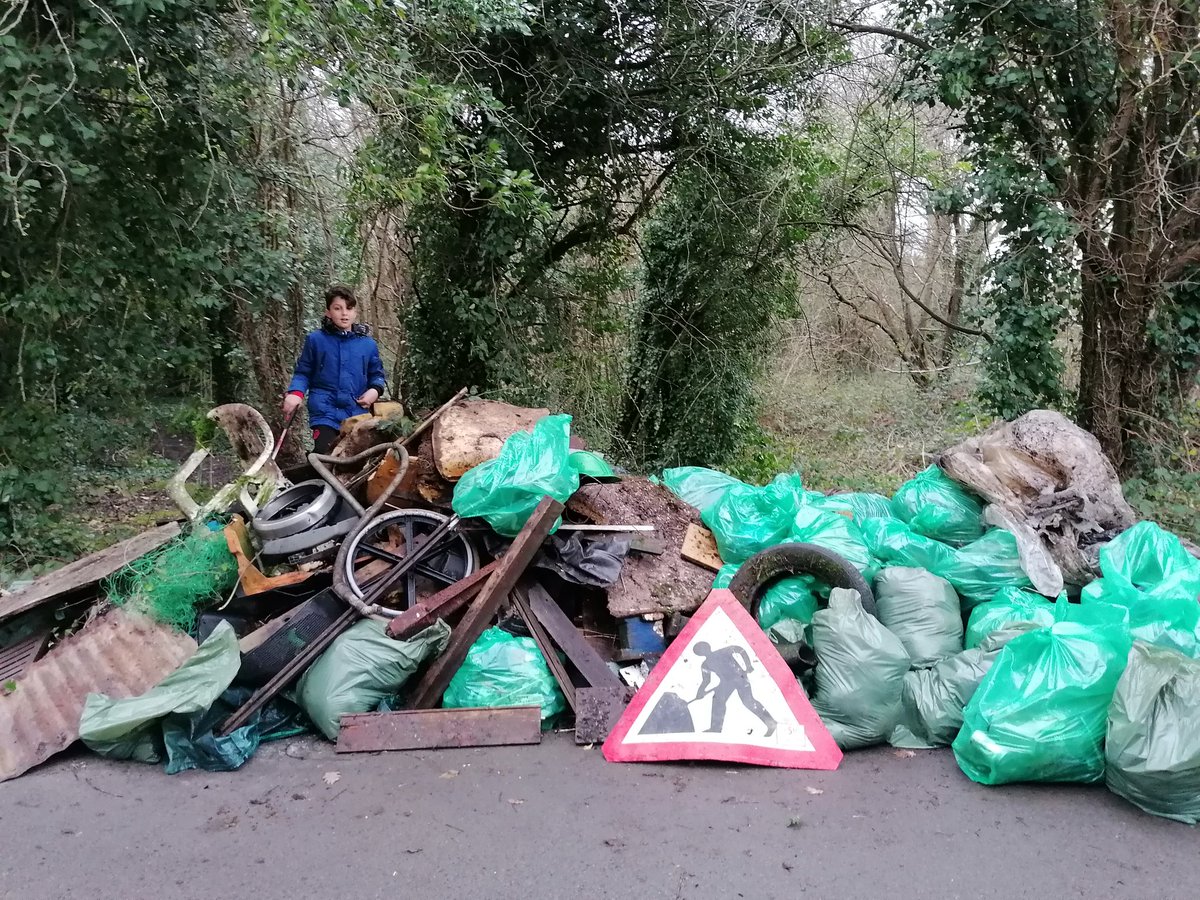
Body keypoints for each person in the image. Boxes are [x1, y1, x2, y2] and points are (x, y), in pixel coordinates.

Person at [283, 284, 386, 454]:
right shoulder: (315, 340)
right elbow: (303, 372)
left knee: (356, 458)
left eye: (349, 308)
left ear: (355, 312)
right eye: (338, 308)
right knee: (324, 453)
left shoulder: (368, 344)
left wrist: (374, 391)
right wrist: (296, 393)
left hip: (357, 413)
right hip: (325, 412)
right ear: (328, 312)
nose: (344, 313)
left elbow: (377, 375)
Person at [692, 641, 777, 736]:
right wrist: (700, 692)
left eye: (703, 648)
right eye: (700, 651)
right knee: (717, 700)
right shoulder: (705, 664)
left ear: (708, 647)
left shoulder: (722, 652)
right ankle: (715, 728)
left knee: (748, 701)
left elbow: (740, 650)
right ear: (699, 654)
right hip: (726, 682)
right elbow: (706, 680)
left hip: (739, 677)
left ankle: (771, 723)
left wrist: (748, 665)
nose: (703, 651)